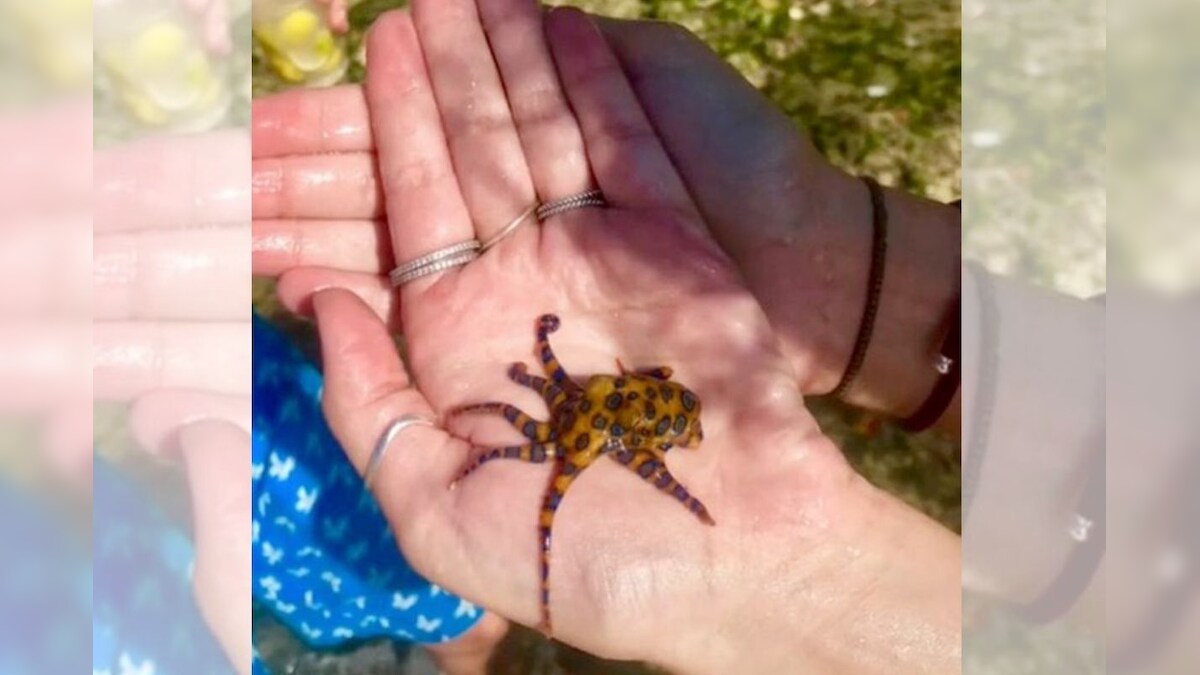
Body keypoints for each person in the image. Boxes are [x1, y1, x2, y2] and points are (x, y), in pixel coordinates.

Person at [257, 2, 962, 673]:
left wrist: (762, 577)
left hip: (631, 412)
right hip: (626, 409)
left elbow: (596, 409)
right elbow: (588, 394)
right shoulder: (614, 408)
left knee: (543, 425)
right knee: (543, 414)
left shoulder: (630, 415)